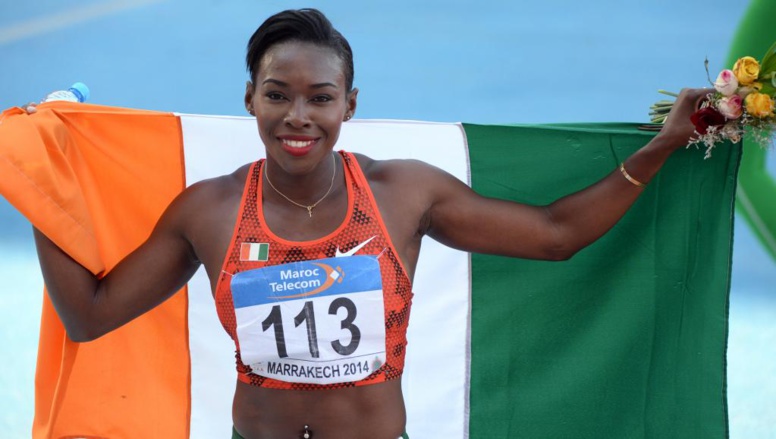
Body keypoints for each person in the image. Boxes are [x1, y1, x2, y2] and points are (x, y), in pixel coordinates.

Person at [28, 8, 708, 439]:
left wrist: (664, 144)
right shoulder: (207, 210)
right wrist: (36, 178)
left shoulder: (401, 194)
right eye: (277, 94)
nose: (298, 116)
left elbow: (556, 235)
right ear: (249, 99)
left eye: (320, 97)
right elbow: (90, 313)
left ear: (349, 104)